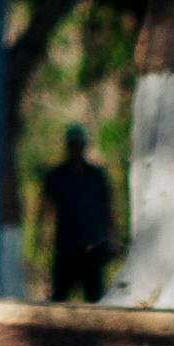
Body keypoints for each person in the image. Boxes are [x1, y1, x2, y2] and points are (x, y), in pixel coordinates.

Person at [36, 123, 120, 306]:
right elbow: (46, 208)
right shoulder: (56, 176)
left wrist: (111, 237)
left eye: (79, 145)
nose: (76, 149)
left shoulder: (96, 176)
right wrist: (41, 238)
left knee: (94, 299)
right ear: (67, 147)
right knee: (59, 298)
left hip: (92, 246)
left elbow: (107, 208)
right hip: (66, 247)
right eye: (72, 145)